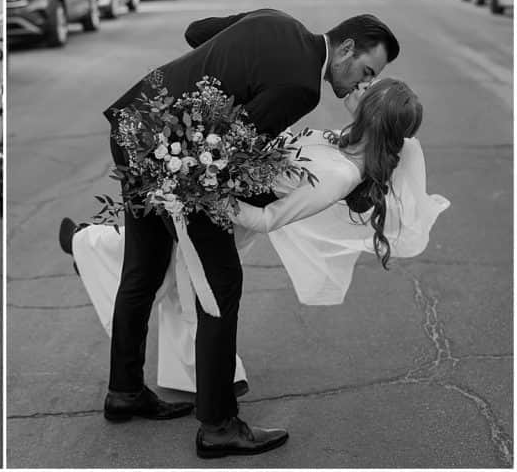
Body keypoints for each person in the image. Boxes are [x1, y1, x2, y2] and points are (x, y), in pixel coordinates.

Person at [100, 9, 400, 459]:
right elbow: (233, 149)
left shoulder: (278, 21)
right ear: (345, 49)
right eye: (366, 71)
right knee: (221, 286)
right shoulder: (301, 87)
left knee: (143, 267)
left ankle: (124, 391)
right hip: (178, 157)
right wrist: (195, 167)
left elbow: (196, 32)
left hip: (134, 125)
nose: (361, 84)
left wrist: (211, 80)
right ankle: (219, 426)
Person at [63, 79, 449, 423]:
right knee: (164, 278)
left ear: (373, 118)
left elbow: (267, 219)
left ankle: (89, 246)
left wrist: (207, 190)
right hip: (215, 194)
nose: (360, 87)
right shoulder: (342, 139)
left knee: (183, 288)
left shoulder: (341, 175)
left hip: (226, 217)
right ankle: (91, 248)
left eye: (369, 91)